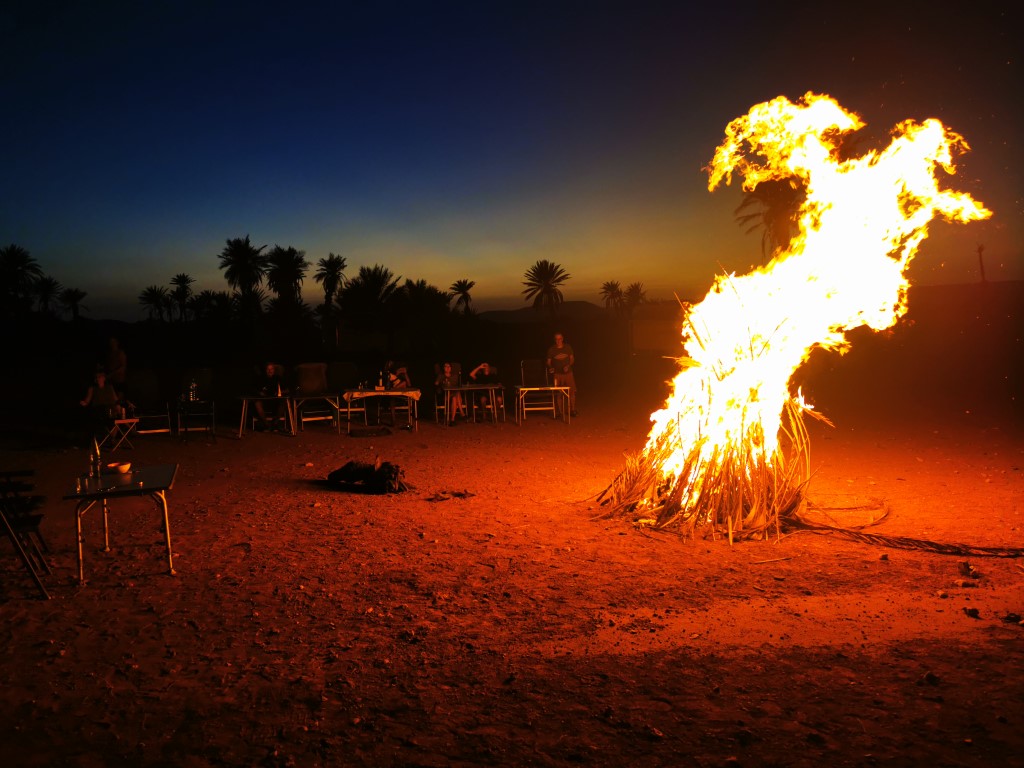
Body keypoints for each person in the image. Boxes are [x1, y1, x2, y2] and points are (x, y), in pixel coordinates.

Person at [79, 367, 123, 439]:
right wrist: (84, 403)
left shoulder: (109, 387)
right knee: (111, 416)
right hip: (100, 410)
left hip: (112, 409)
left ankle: (111, 438)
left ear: (104, 378)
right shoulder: (92, 388)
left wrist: (118, 405)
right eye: (97, 377)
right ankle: (109, 438)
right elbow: (87, 400)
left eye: (100, 377)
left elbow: (115, 399)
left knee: (119, 417)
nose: (98, 378)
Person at [546, 331, 577, 417]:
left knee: (572, 392)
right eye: (556, 339)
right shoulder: (551, 350)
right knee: (559, 393)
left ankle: (572, 410)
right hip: (557, 374)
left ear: (562, 339)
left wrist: (568, 365)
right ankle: (560, 412)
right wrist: (550, 367)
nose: (558, 340)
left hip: (568, 373)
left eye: (560, 339)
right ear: (554, 340)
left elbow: (572, 359)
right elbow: (548, 362)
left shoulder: (568, 347)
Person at [253, 363, 290, 431]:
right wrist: (260, 393)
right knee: (257, 403)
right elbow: (254, 389)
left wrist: (280, 392)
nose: (270, 371)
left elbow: (287, 390)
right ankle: (267, 425)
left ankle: (275, 423)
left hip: (275, 401)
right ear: (265, 370)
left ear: (274, 370)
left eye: (271, 369)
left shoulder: (278, 378)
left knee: (285, 402)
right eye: (268, 369)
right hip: (264, 401)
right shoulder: (260, 378)